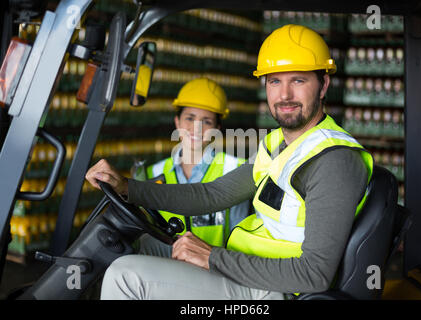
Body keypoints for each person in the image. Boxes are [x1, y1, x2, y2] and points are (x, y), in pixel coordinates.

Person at [86, 24, 373, 300]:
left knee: (124, 276)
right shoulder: (279, 145)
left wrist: (212, 257)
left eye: (298, 80)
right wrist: (127, 187)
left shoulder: (334, 160)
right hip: (251, 270)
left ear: (323, 85)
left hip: (277, 290)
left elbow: (314, 275)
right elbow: (212, 194)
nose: (285, 95)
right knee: (144, 248)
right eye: (275, 81)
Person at [132, 77, 250, 253]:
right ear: (177, 122)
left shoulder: (235, 170)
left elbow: (240, 239)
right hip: (163, 271)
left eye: (206, 121)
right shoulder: (153, 174)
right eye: (190, 118)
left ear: (217, 128)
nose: (196, 128)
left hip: (214, 272)